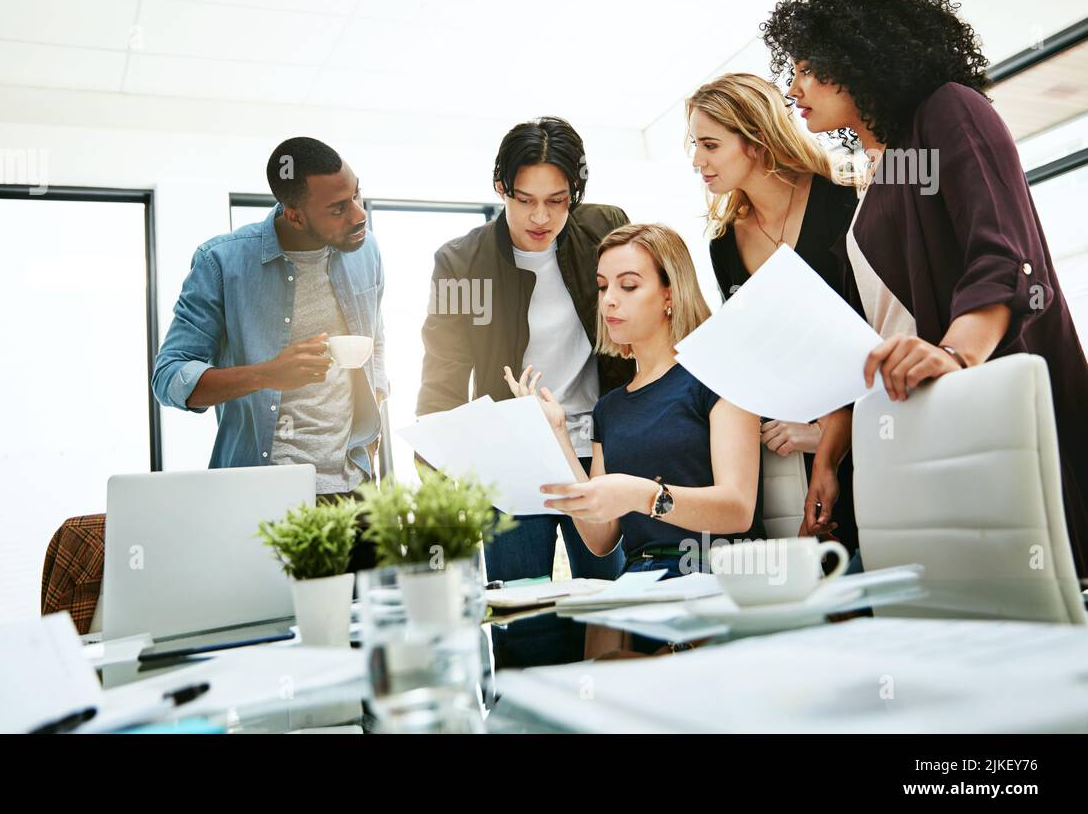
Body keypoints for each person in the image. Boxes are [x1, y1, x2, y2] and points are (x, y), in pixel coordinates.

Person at [762, 0, 1088, 575]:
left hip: (984, 417)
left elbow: (1002, 250)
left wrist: (957, 352)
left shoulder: (949, 110)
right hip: (914, 428)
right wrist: (829, 462)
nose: (793, 90)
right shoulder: (878, 174)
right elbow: (883, 330)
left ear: (861, 55)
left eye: (807, 69)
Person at [152, 137, 388, 567]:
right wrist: (267, 374)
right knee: (271, 631)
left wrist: (374, 426)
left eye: (357, 193)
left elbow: (377, 339)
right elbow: (168, 378)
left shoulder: (365, 250)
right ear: (294, 214)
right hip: (265, 497)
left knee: (363, 629)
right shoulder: (221, 262)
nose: (359, 215)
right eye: (338, 208)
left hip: (356, 489)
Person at [417, 116, 633, 583]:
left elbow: (645, 332)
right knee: (522, 621)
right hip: (510, 460)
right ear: (501, 186)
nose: (541, 218)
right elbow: (444, 380)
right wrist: (437, 493)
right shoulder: (461, 263)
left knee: (610, 602)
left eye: (557, 201)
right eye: (526, 200)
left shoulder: (605, 231)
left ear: (575, 193)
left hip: (597, 454)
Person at [512, 223, 763, 579]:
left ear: (670, 296)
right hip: (639, 581)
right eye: (602, 286)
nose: (609, 299)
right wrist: (557, 434)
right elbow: (600, 539)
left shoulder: (719, 375)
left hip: (717, 575)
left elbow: (738, 510)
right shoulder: (609, 409)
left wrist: (642, 495)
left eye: (628, 285)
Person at [687, 71, 862, 559]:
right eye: (695, 145)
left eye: (710, 145)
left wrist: (827, 436)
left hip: (868, 434)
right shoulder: (724, 246)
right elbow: (769, 354)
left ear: (756, 140)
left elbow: (867, 337)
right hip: (788, 454)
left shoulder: (842, 202)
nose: (698, 161)